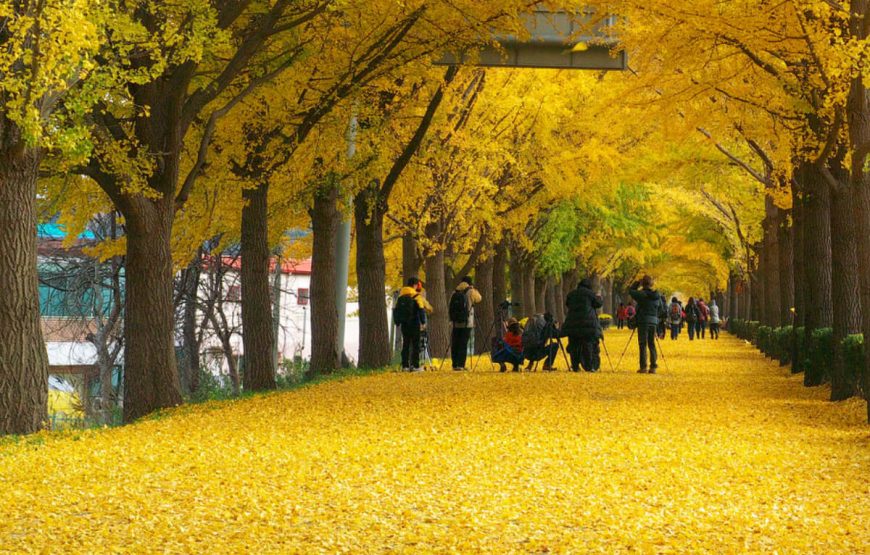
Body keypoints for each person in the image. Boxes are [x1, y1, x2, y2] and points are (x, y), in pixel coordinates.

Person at [562, 278, 603, 372]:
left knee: (573, 344)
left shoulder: (571, 294)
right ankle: (589, 366)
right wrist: (599, 297)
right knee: (587, 344)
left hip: (572, 323)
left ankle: (575, 365)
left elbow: (568, 304)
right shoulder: (590, 294)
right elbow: (598, 304)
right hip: (587, 324)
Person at [393, 277, 433, 371]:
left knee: (406, 344)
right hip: (414, 323)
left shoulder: (400, 297)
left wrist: (398, 321)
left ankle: (405, 366)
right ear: (415, 285)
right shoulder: (417, 296)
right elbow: (421, 310)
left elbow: (396, 310)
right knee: (415, 345)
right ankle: (415, 365)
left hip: (404, 324)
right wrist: (423, 322)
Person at [629, 275, 662, 374]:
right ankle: (653, 366)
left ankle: (643, 367)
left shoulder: (642, 294)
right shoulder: (657, 296)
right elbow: (661, 309)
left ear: (643, 283)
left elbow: (631, 291)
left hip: (643, 321)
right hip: (653, 321)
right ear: (651, 284)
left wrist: (636, 283)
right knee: (651, 343)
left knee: (643, 343)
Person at [449, 275, 482, 370]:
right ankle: (461, 365)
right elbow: (479, 298)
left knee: (455, 343)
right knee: (463, 343)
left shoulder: (454, 292)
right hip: (467, 322)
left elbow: (450, 305)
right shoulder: (471, 291)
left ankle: (454, 364)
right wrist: (473, 289)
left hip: (456, 322)